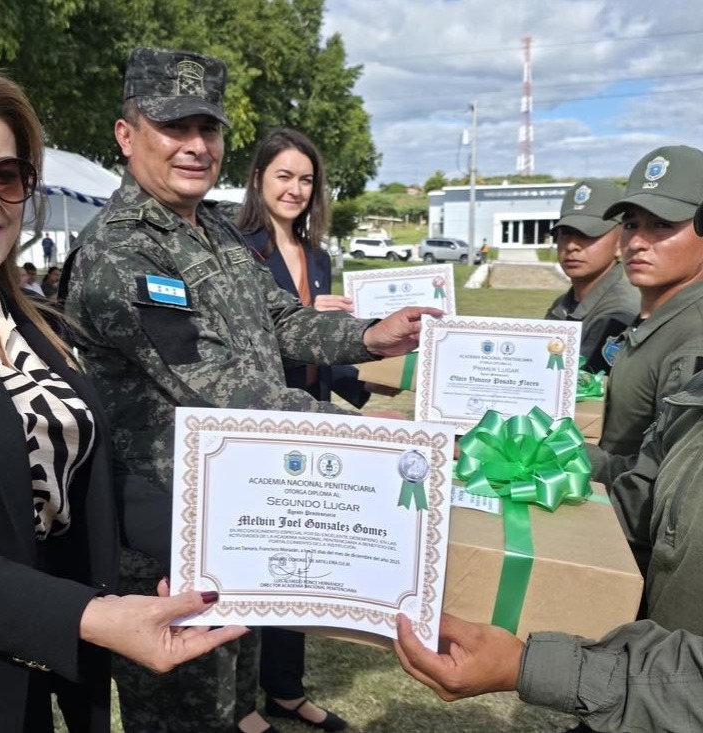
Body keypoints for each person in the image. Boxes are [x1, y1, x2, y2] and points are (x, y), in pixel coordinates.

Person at [0, 61, 245, 733]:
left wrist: (248, 530)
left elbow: (82, 485)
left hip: (28, 669)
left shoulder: (33, 321)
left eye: (6, 175)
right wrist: (89, 616)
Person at [61, 47, 439, 733]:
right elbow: (219, 388)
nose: (196, 146)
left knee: (232, 698)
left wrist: (369, 338)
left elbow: (282, 319)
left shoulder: (217, 233)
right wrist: (385, 447)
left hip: (239, 514)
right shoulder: (119, 251)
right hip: (166, 538)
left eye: (208, 129)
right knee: (186, 712)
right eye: (174, 127)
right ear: (126, 134)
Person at [393, 344, 703, 732]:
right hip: (627, 695)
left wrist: (528, 666)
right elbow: (637, 499)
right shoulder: (697, 389)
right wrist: (525, 453)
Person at [236, 128, 365, 732]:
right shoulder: (237, 247)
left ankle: (286, 688)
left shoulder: (318, 254)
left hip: (313, 411)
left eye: (306, 178)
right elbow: (252, 341)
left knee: (301, 557)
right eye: (283, 175)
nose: (295, 188)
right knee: (248, 559)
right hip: (257, 416)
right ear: (259, 178)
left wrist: (370, 390)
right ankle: (240, 705)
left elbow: (323, 347)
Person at [581, 147, 703, 497]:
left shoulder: (693, 336)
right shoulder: (657, 318)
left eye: (663, 225)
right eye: (631, 224)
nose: (636, 242)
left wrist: (560, 456)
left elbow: (659, 492)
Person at [544, 179, 639, 373]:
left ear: (621, 242)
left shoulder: (619, 313)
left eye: (588, 234)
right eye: (565, 233)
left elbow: (589, 395)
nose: (571, 246)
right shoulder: (562, 305)